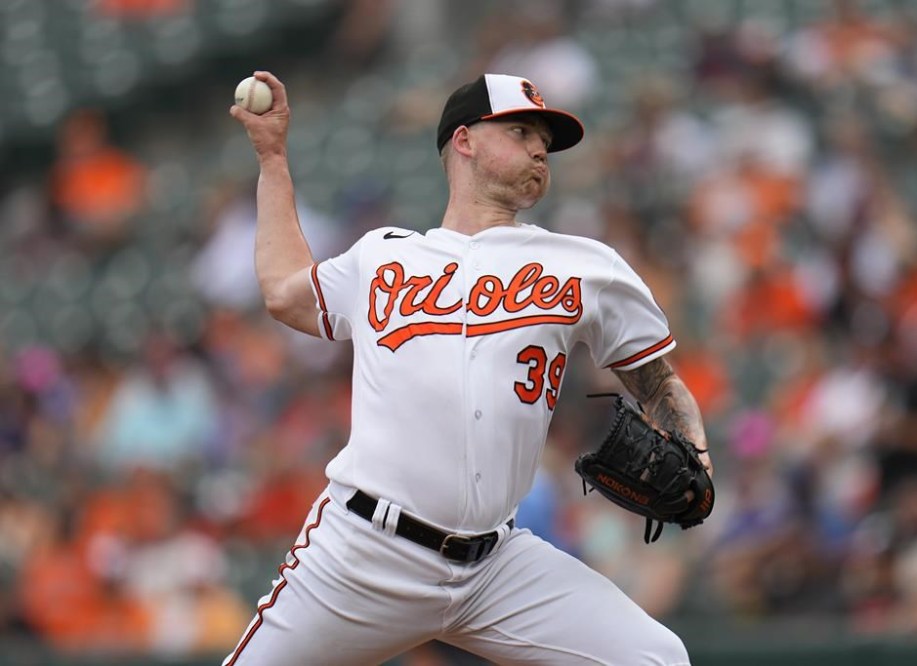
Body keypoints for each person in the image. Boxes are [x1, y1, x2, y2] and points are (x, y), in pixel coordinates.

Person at [224, 70, 713, 665]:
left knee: (657, 658)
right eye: (522, 130)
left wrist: (695, 455)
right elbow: (282, 290)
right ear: (464, 140)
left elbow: (660, 382)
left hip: (495, 569)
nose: (539, 147)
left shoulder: (586, 266)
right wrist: (272, 157)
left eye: (545, 140)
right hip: (364, 554)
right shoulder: (384, 255)